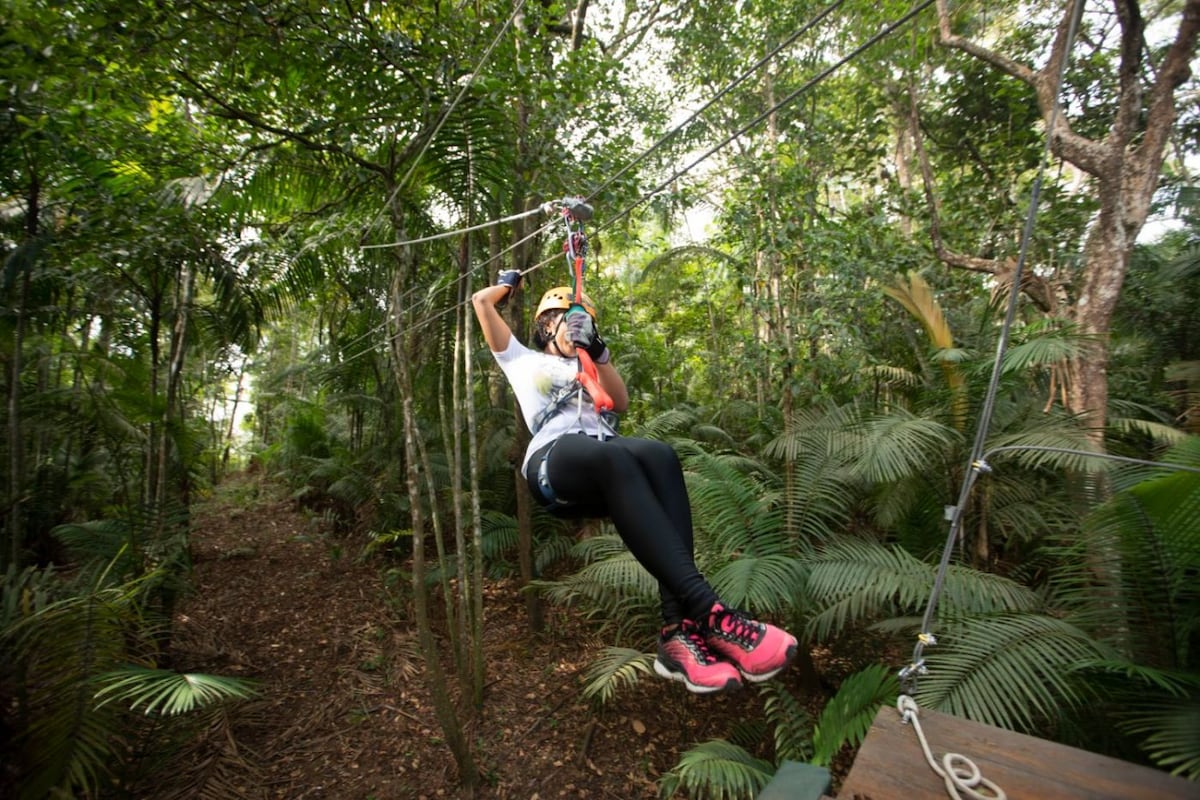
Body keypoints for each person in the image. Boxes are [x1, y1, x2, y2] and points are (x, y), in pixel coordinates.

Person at [472, 269, 797, 695]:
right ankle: (711, 612)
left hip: (605, 464)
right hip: (554, 461)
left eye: (583, 322)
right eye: (568, 320)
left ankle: (677, 632)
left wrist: (597, 350)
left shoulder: (590, 365)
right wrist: (508, 284)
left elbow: (620, 402)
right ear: (546, 324)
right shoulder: (522, 360)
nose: (576, 327)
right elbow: (481, 303)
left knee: (660, 455)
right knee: (614, 455)